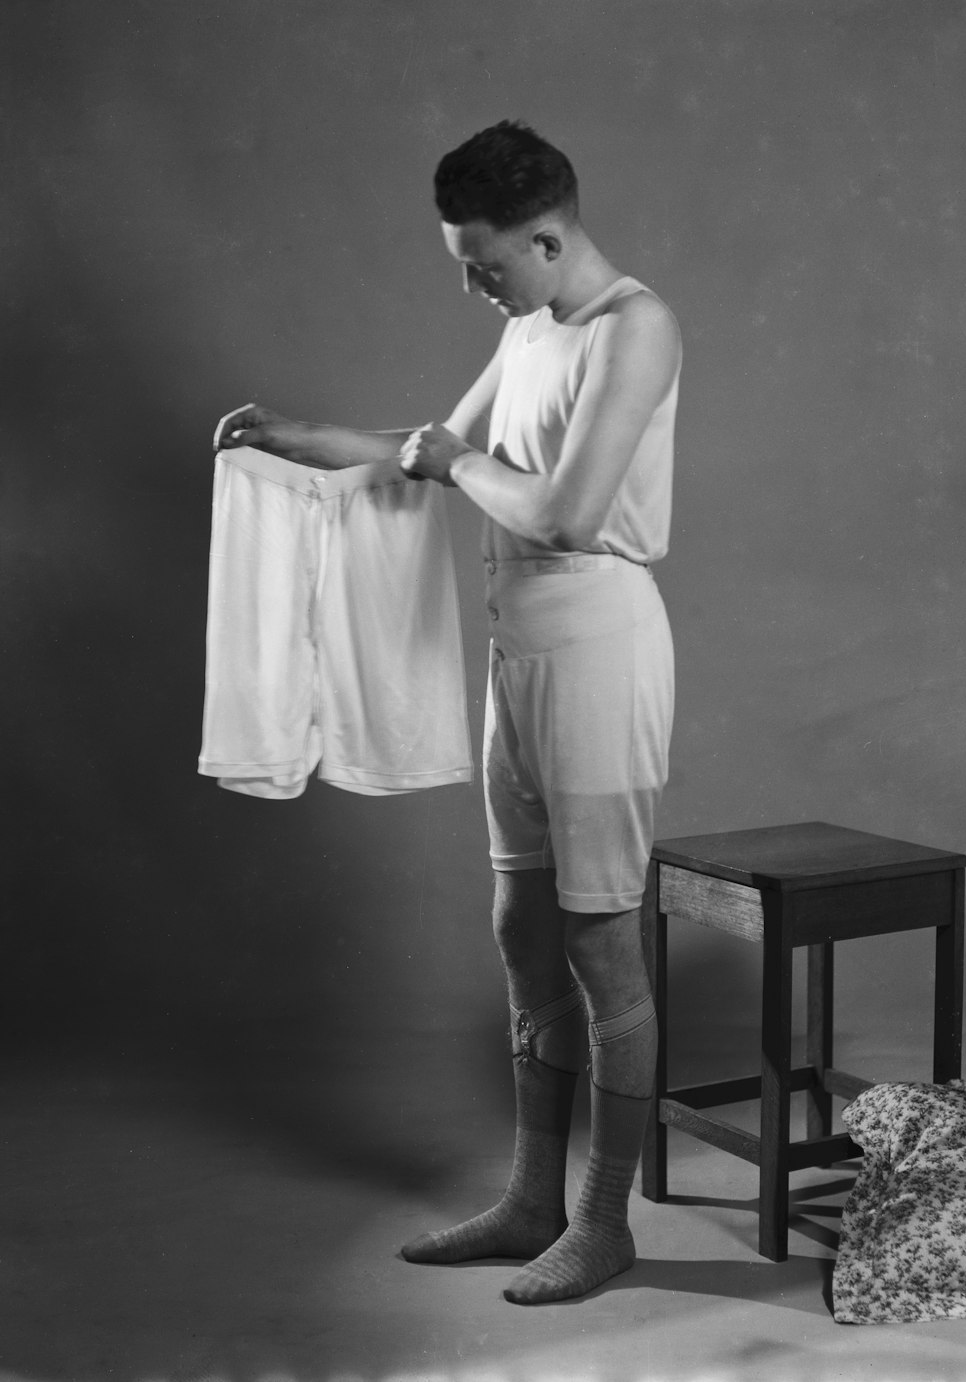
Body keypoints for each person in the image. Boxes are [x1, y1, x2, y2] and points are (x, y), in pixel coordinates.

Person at [214, 120, 681, 1305]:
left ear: (546, 233)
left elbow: (566, 509)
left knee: (598, 938)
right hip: (513, 645)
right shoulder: (528, 327)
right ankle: (530, 1198)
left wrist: (452, 458)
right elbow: (417, 449)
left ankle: (601, 1218)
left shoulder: (636, 327)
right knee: (520, 923)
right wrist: (289, 440)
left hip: (598, 644)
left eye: (483, 262)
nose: (474, 285)